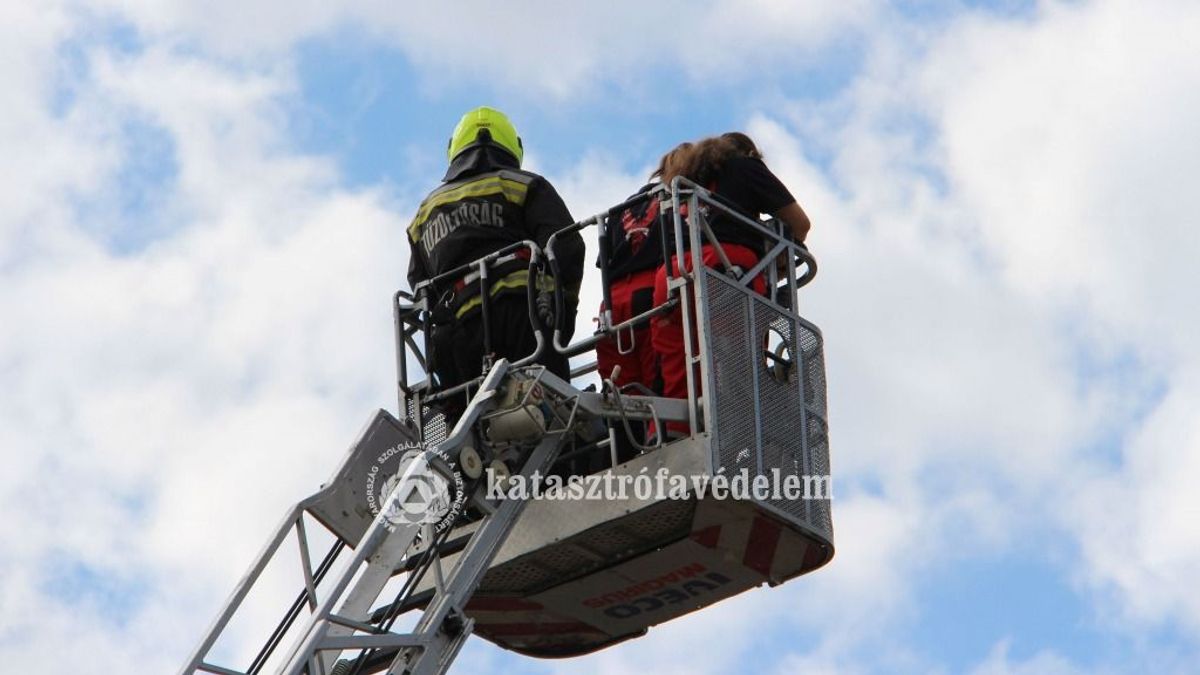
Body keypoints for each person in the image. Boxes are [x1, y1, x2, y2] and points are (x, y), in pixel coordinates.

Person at [407, 106, 585, 411]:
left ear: (455, 150)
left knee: (467, 424)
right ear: (511, 147)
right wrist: (561, 317)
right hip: (522, 318)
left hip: (455, 337)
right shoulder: (525, 184)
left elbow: (419, 288)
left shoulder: (424, 214)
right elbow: (566, 248)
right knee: (553, 412)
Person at [650, 133, 811, 438]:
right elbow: (800, 224)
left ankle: (676, 433)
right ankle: (742, 434)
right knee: (740, 359)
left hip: (671, 275)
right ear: (750, 152)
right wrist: (774, 260)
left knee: (679, 361)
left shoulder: (681, 177)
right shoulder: (745, 166)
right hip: (727, 266)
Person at [594, 143, 692, 462]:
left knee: (621, 394)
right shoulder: (680, 198)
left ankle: (619, 458)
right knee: (658, 382)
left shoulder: (626, 206)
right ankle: (660, 453)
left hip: (612, 306)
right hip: (651, 295)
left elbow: (603, 259)